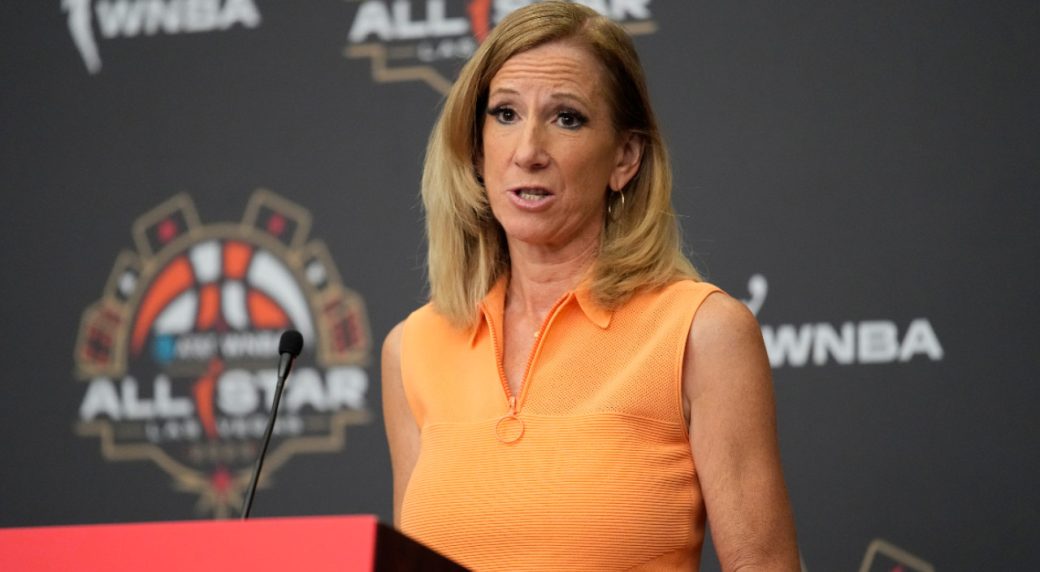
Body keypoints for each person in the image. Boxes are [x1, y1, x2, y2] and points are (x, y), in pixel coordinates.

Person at [382, 2, 799, 570]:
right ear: (476, 149)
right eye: (505, 114)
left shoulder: (702, 333)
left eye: (567, 118)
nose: (528, 152)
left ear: (624, 157)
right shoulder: (412, 348)